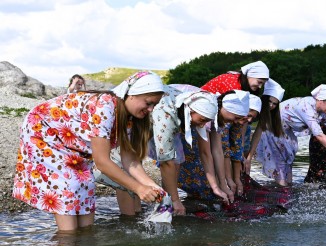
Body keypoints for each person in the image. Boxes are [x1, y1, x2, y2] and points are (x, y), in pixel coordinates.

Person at [13, 71, 165, 231]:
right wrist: (139, 189)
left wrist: (152, 186)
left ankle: (84, 243)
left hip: (72, 142)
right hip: (43, 131)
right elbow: (102, 162)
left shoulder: (131, 118)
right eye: (148, 103)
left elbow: (130, 160)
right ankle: (67, 243)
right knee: (68, 185)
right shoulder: (105, 106)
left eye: (154, 105)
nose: (151, 109)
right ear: (131, 94)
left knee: (85, 183)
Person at [113, 84, 225, 216]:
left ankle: (164, 207)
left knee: (175, 158)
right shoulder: (167, 115)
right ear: (190, 111)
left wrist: (217, 186)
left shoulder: (188, 107)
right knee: (125, 165)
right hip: (131, 118)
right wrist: (176, 199)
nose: (201, 125)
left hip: (149, 119)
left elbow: (174, 159)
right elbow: (166, 160)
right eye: (202, 120)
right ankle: (129, 218)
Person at [257, 84, 326, 186]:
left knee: (288, 158)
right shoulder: (307, 107)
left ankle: (287, 187)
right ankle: (282, 189)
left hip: (286, 129)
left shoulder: (325, 111)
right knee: (280, 160)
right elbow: (319, 135)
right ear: (320, 100)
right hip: (274, 125)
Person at [201, 61, 270, 195]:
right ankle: (222, 181)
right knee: (219, 145)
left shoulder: (242, 90)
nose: (260, 86)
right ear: (250, 75)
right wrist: (226, 181)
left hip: (219, 114)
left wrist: (243, 158)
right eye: (259, 82)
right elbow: (224, 147)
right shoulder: (234, 86)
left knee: (236, 140)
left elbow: (239, 136)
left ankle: (233, 179)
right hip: (204, 113)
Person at [178, 90, 250, 201]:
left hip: (192, 125)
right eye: (236, 117)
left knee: (207, 182)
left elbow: (218, 150)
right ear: (227, 108)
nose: (237, 122)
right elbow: (205, 152)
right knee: (180, 162)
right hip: (181, 125)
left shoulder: (218, 117)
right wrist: (216, 186)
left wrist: (223, 184)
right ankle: (173, 199)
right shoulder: (207, 111)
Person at [245, 78, 285, 175]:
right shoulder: (254, 104)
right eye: (269, 101)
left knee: (246, 160)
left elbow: (258, 134)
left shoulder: (268, 114)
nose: (271, 105)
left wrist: (249, 157)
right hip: (239, 129)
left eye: (274, 104)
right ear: (264, 98)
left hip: (246, 132)